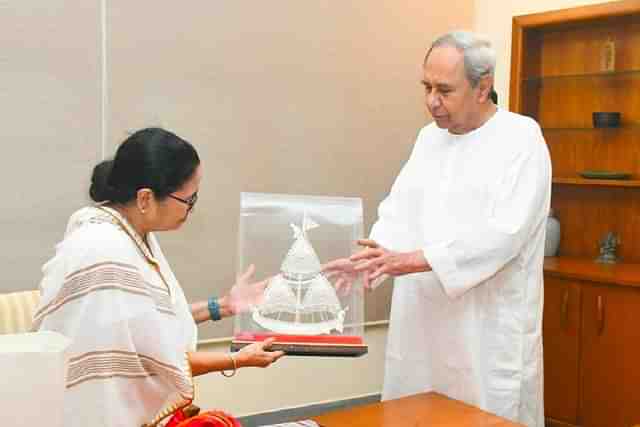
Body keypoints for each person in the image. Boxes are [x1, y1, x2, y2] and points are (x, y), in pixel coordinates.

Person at [326, 31, 550, 427]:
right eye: (426, 87)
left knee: (483, 414)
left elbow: (505, 235)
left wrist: (413, 260)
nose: (431, 101)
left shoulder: (521, 138)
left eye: (444, 90)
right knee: (413, 408)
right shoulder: (429, 139)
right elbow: (400, 211)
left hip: (484, 325)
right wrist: (373, 260)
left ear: (483, 87)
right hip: (423, 319)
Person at [33, 128, 285, 427]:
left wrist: (225, 306)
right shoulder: (106, 249)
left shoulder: (125, 231)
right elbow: (151, 357)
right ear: (145, 198)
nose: (191, 208)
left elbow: (145, 330)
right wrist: (238, 360)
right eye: (188, 200)